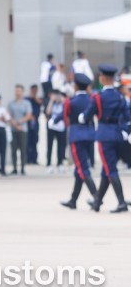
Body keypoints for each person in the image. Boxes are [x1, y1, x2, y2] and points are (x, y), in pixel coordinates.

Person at [84, 64, 129, 213]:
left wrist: (81, 117)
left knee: (111, 169)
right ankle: (97, 202)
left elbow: (87, 115)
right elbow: (128, 118)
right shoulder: (119, 96)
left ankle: (121, 202)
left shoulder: (98, 97)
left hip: (104, 135)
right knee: (107, 169)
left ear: (102, 78)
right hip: (117, 134)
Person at [60, 73, 98, 209]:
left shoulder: (71, 101)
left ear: (75, 86)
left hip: (76, 135)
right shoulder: (91, 99)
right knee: (79, 169)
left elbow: (66, 118)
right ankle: (73, 200)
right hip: (90, 134)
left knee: (82, 169)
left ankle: (97, 197)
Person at [7, 84, 33, 176]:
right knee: (13, 150)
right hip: (13, 129)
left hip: (23, 129)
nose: (17, 92)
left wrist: (19, 122)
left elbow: (28, 115)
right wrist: (15, 124)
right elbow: (9, 116)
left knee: (23, 149)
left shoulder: (26, 103)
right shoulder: (11, 103)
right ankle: (14, 168)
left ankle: (22, 168)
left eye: (19, 91)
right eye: (16, 90)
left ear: (22, 92)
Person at [44, 90, 67, 173]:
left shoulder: (63, 103)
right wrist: (52, 100)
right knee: (50, 146)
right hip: (51, 126)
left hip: (61, 127)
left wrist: (62, 99)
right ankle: (48, 164)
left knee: (61, 146)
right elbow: (47, 112)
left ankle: (60, 163)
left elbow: (67, 110)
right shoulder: (49, 102)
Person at [26, 84, 41, 165]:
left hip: (35, 123)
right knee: (28, 141)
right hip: (27, 122)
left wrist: (35, 98)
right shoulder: (26, 99)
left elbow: (41, 104)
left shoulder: (37, 100)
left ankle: (34, 159)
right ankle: (28, 159)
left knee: (35, 140)